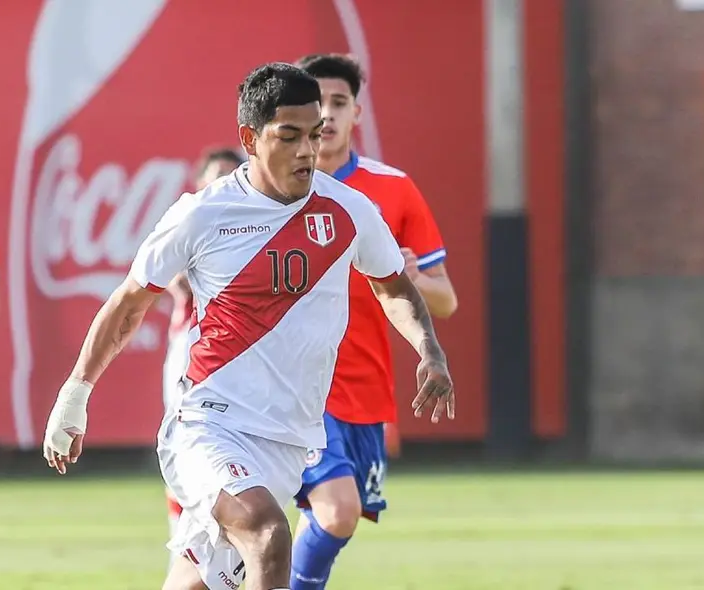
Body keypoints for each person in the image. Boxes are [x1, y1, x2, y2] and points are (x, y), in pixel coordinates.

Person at [41, 62, 454, 590]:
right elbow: (128, 306)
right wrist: (75, 394)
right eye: (289, 136)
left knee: (199, 579)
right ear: (249, 138)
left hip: (288, 439)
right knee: (268, 534)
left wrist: (429, 349)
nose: (307, 151)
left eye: (314, 135)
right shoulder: (202, 215)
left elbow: (394, 287)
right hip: (208, 426)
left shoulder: (349, 210)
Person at [289, 53, 459, 590]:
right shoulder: (274, 187)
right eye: (318, 103)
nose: (328, 114)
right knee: (337, 511)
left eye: (339, 103)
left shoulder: (392, 189)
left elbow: (445, 300)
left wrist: (412, 278)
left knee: (329, 519)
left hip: (364, 388)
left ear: (357, 112)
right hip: (294, 386)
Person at [162, 146, 245, 571]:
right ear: (200, 183)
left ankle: (222, 557)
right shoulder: (192, 219)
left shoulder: (258, 225)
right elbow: (167, 275)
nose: (224, 184)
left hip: (242, 355)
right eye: (216, 176)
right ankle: (185, 554)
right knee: (184, 446)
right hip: (191, 348)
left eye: (233, 175)